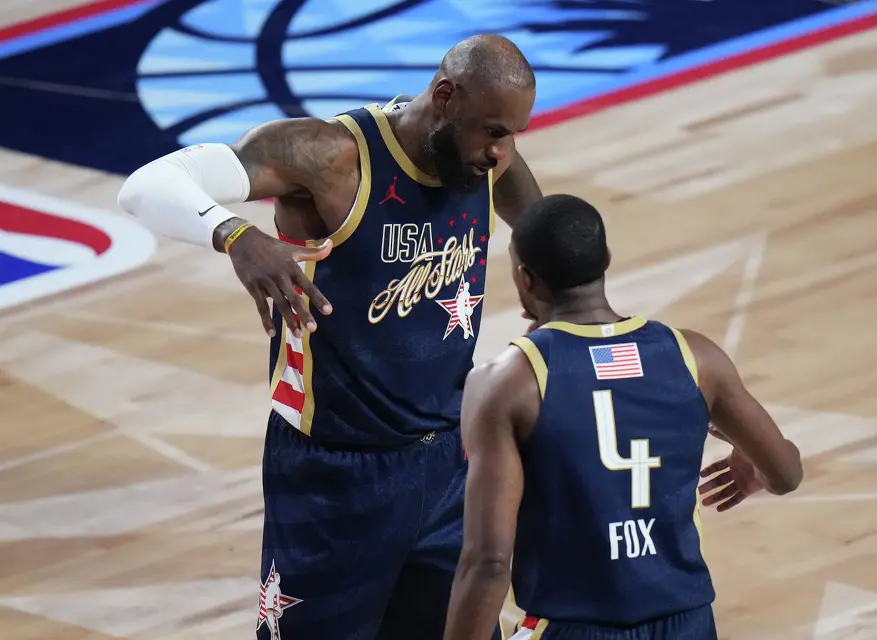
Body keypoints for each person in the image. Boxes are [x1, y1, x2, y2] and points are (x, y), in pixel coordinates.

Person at [117, 34, 543, 640]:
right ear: (446, 98)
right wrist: (236, 236)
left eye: (512, 135)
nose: (501, 151)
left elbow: (546, 231)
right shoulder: (326, 154)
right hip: (333, 477)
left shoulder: (484, 157)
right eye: (493, 131)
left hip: (448, 461)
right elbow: (145, 186)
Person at [443, 194, 803, 640]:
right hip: (687, 623)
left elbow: (489, 563)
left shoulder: (508, 383)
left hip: (574, 628)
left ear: (525, 278)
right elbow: (786, 474)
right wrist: (753, 465)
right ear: (606, 260)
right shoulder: (695, 357)